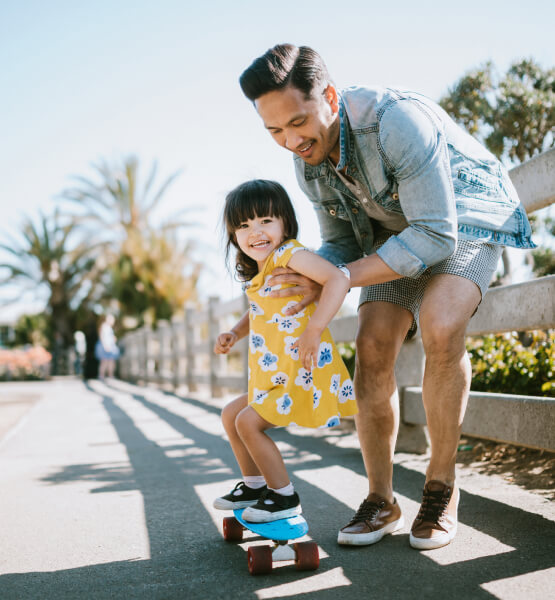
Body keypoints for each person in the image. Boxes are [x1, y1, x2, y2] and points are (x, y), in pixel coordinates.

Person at [238, 44, 535, 548]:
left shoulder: (395, 121)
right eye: (274, 132)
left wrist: (339, 277)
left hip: (463, 222)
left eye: (298, 122)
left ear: (329, 96)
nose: (291, 140)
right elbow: (342, 244)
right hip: (390, 238)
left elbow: (437, 235)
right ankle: (382, 499)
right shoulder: (306, 161)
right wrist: (318, 273)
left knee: (441, 325)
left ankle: (441, 488)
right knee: (373, 346)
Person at [212, 179, 357, 522]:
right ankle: (254, 485)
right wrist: (234, 331)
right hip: (276, 373)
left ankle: (283, 496)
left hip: (301, 369)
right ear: (233, 235)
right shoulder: (263, 269)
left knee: (248, 423)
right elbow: (261, 309)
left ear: (285, 223)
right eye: (244, 225)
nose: (255, 232)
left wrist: (315, 329)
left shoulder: (289, 254)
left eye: (265, 220)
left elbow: (338, 279)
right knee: (231, 415)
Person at [95, 314, 120, 379]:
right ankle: (102, 375)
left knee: (110, 361)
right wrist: (105, 345)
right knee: (105, 361)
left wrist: (113, 338)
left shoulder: (108, 327)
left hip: (109, 346)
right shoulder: (105, 326)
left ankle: (109, 375)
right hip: (106, 346)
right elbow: (103, 337)